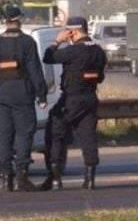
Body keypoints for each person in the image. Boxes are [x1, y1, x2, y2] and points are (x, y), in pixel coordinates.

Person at [0, 5, 47, 192]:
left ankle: (6, 178)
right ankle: (22, 176)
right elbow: (35, 70)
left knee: (4, 137)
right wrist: (42, 94)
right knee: (25, 135)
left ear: (5, 20)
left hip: (1, 97)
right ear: (19, 19)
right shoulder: (27, 42)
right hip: (23, 96)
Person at [41, 16, 107, 190]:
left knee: (55, 131)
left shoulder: (74, 51)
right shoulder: (99, 51)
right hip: (90, 99)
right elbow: (100, 77)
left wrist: (57, 41)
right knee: (88, 137)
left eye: (66, 31)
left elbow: (48, 57)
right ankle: (90, 179)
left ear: (73, 31)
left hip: (71, 99)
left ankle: (55, 179)